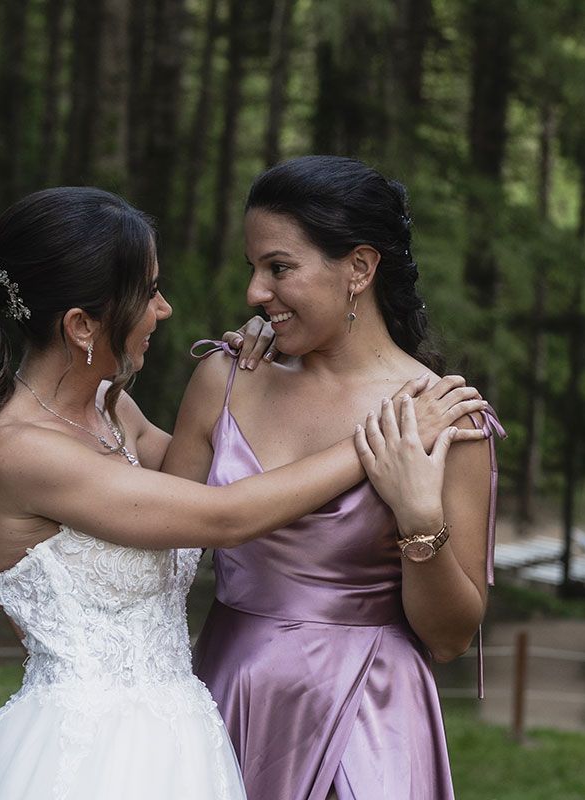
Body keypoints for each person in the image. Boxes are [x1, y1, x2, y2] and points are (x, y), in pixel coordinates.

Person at [0, 186, 489, 800]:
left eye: (277, 268)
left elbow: (216, 467)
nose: (166, 309)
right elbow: (224, 514)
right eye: (148, 293)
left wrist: (247, 383)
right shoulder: (24, 448)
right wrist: (390, 435)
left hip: (184, 727)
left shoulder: (109, 411)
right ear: (81, 325)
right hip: (94, 749)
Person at [163, 156, 503, 800]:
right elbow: (157, 538)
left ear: (360, 269)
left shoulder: (447, 420)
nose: (255, 293)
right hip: (228, 696)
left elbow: (452, 637)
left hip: (370, 718)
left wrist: (418, 520)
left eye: (279, 267)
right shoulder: (227, 379)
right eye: (254, 269)